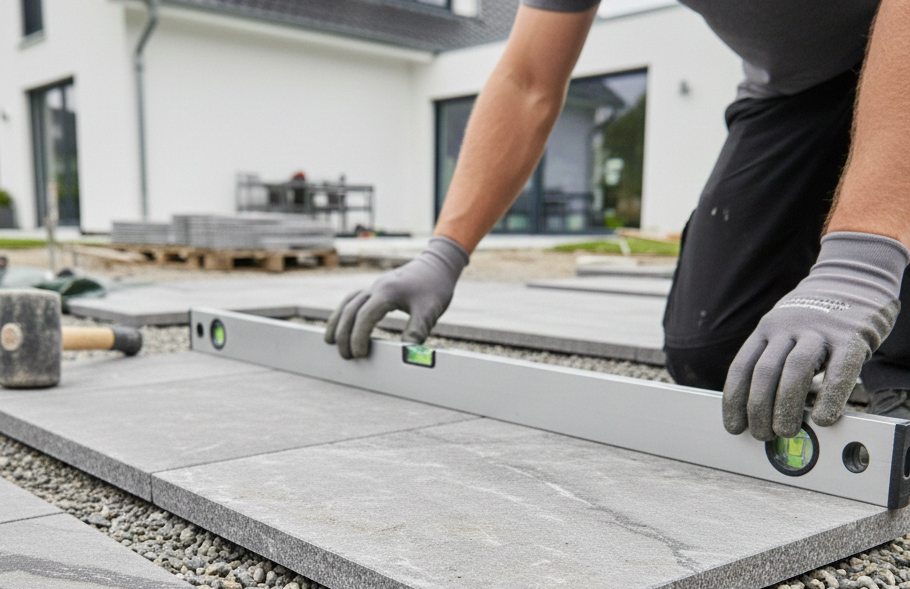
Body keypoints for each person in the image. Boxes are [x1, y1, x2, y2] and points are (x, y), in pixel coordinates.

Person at [324, 0, 910, 442]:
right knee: (714, 355)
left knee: (874, 275)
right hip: (794, 91)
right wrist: (442, 253)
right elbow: (528, 80)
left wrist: (859, 266)